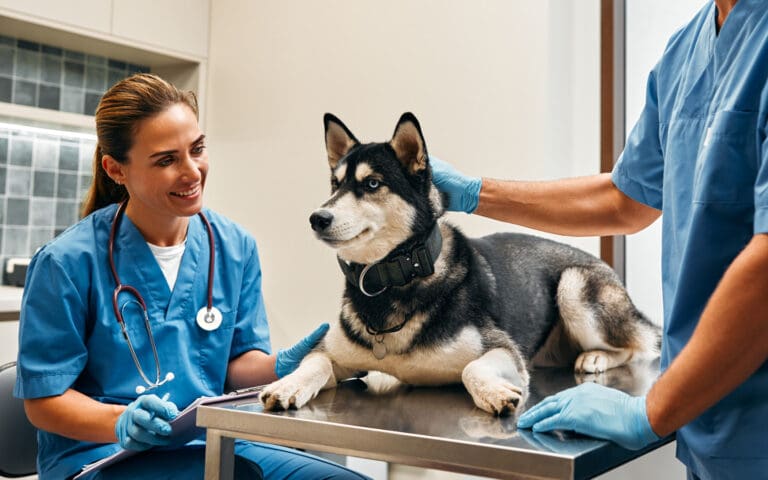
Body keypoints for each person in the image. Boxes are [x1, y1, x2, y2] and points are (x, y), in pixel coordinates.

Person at [429, 1, 768, 478]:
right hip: (710, 425)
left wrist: (651, 411)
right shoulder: (686, 51)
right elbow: (624, 199)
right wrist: (474, 193)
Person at [14, 73, 368, 480]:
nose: (192, 172)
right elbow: (42, 402)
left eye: (197, 149)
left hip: (211, 442)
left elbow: (235, 365)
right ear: (115, 170)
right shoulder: (66, 263)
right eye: (166, 160)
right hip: (102, 456)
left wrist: (285, 364)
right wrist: (118, 422)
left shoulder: (235, 246)